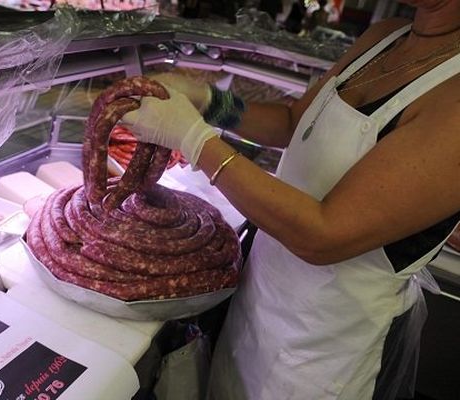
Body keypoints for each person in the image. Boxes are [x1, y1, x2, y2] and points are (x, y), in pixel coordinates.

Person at [123, 0, 460, 398]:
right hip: (261, 295)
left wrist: (194, 140)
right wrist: (210, 103)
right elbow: (294, 121)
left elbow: (323, 236)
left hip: (324, 345)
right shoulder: (384, 36)